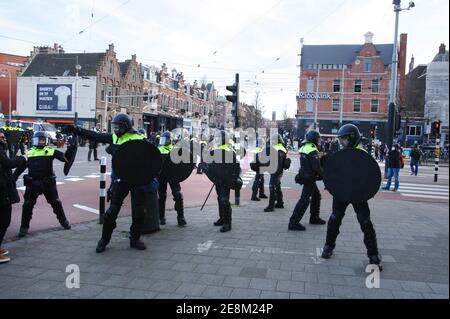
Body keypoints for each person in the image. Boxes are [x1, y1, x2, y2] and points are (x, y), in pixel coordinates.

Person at [68, 113, 149, 253]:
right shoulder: (114, 137)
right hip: (120, 179)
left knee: (139, 211)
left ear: (126, 126)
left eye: (118, 126)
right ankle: (104, 240)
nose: (116, 129)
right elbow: (95, 136)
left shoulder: (138, 138)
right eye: (115, 126)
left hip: (136, 179)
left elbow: (149, 157)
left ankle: (135, 239)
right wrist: (77, 130)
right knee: (111, 212)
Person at [321, 124, 382, 269]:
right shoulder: (341, 154)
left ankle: (373, 257)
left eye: (344, 139)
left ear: (352, 138)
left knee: (365, 223)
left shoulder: (362, 154)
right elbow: (334, 172)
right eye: (340, 140)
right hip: (342, 191)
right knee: (335, 219)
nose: (341, 142)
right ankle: (328, 247)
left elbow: (369, 175)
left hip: (358, 192)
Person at [13, 131, 71, 238]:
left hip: (48, 182)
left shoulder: (50, 151)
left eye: (42, 140)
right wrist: (13, 178)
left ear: (46, 141)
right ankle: (24, 228)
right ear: (34, 141)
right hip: (32, 183)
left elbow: (64, 157)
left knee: (56, 202)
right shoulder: (29, 153)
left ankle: (64, 222)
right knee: (27, 205)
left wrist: (70, 149)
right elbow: (20, 168)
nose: (40, 141)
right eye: (38, 140)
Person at [289, 130, 326, 231]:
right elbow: (316, 167)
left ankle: (314, 217)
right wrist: (325, 177)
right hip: (310, 178)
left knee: (316, 196)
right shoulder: (312, 150)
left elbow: (311, 160)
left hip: (305, 175)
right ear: (314, 138)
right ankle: (293, 222)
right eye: (318, 138)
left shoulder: (305, 147)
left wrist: (322, 154)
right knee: (304, 200)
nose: (319, 140)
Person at [0, 130, 27, 263]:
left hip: (3, 189)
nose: (3, 139)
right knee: (4, 221)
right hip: (2, 191)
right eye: (1, 137)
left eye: (4, 136)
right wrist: (23, 158)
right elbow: (9, 163)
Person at [211, 130, 241, 233]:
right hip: (218, 179)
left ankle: (227, 223)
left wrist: (231, 179)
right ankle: (222, 218)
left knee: (224, 200)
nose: (217, 139)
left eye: (219, 138)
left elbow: (235, 166)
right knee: (220, 198)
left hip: (226, 180)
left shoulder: (229, 150)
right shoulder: (217, 149)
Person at [157, 131, 187, 227]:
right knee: (161, 196)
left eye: (165, 139)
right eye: (162, 139)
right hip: (161, 176)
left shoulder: (175, 150)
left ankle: (181, 217)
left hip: (173, 175)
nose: (163, 141)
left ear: (170, 140)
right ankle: (161, 217)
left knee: (177, 195)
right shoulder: (158, 149)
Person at [264, 134, 289, 212]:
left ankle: (271, 206)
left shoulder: (273, 148)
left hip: (275, 169)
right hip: (280, 170)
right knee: (277, 184)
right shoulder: (282, 148)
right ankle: (280, 202)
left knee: (272, 186)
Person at [251, 137, 268, 201]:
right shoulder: (259, 150)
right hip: (260, 167)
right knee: (257, 181)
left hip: (260, 167)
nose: (263, 144)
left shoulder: (258, 149)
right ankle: (254, 196)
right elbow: (260, 160)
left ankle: (261, 193)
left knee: (262, 180)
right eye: (263, 143)